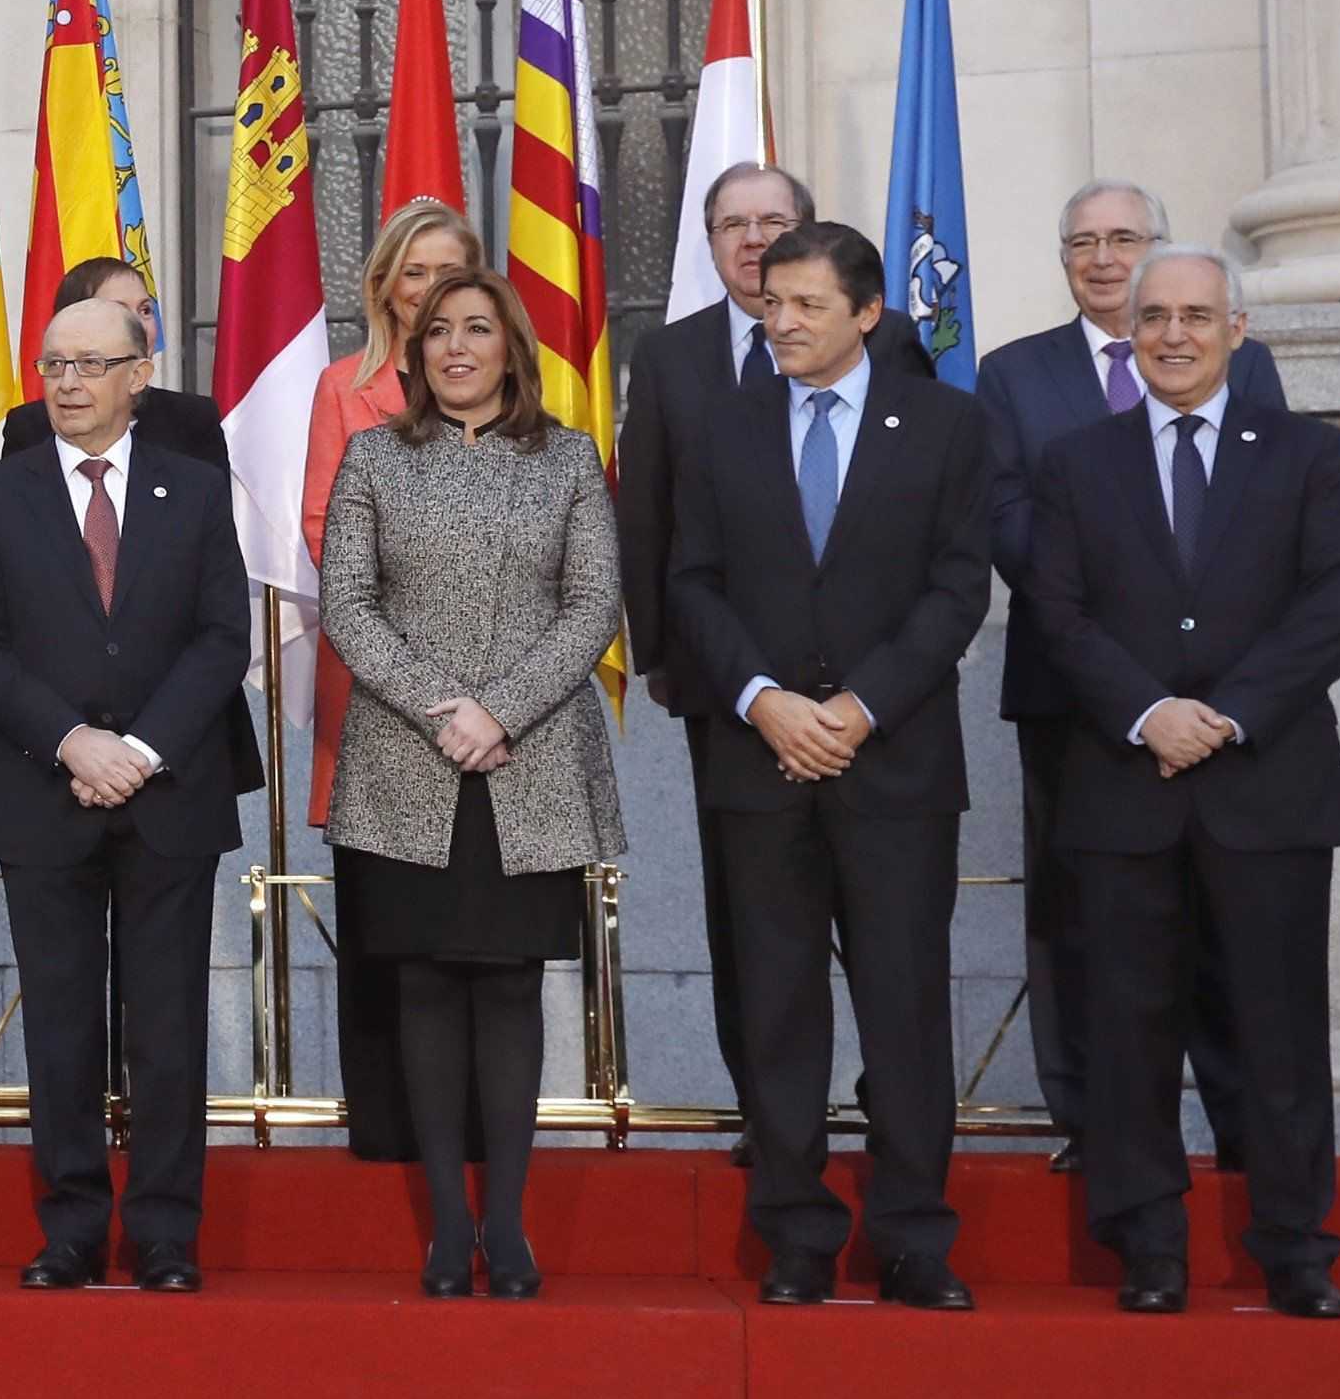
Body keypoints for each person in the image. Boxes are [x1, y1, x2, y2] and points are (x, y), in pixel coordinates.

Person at [1021, 247, 1340, 1321]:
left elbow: (1330, 606)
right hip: (1124, 787)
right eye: (1155, 315)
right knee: (1127, 1030)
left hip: (1267, 784)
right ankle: (1149, 1245)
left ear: (1237, 329)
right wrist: (1147, 713)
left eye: (1197, 315)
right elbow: (1058, 612)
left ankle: (1295, 1245)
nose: (1174, 333)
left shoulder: (1308, 451)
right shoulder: (1079, 460)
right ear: (1130, 333)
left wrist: (1223, 717)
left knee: (1277, 1029)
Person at [664, 224, 995, 1310]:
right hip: (760, 763)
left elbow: (957, 588)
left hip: (891, 761)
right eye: (772, 303)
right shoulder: (723, 424)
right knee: (776, 1004)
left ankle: (914, 1238)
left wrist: (857, 705)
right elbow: (692, 581)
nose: (784, 322)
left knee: (903, 1005)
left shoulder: (947, 425)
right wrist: (764, 702)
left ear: (867, 313)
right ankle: (796, 1235)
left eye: (807, 304)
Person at [322, 270, 624, 1299]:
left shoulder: (569, 458)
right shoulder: (373, 455)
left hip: (529, 758)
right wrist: (446, 709)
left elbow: (592, 604)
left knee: (508, 985)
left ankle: (510, 1224)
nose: (456, 346)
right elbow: (349, 606)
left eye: (477, 329)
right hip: (409, 761)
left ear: (512, 346)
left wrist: (501, 710)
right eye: (438, 329)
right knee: (424, 983)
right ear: (415, 352)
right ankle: (449, 1226)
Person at [979, 179, 1286, 1169]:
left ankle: (1241, 1119)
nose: (1104, 257)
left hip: (1216, 698)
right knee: (1077, 916)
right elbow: (1011, 525)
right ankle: (1087, 1117)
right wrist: (1125, 657)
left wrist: (1188, 660)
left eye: (1124, 239)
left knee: (1227, 912)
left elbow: (1266, 515)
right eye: (1084, 241)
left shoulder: (1251, 364)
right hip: (1074, 688)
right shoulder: (1013, 375)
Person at [0, 292, 252, 1293]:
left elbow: (221, 638)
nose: (68, 381)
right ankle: (71, 1226)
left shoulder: (197, 489)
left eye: (90, 363)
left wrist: (145, 746)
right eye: (53, 364)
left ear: (139, 373)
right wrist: (74, 741)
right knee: (64, 1023)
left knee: (166, 1024)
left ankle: (166, 1230)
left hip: (171, 792)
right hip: (48, 791)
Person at [615, 160, 833, 1113]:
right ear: (708, 244)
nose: (752, 240)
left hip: (862, 694)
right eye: (732, 225)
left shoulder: (887, 346)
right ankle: (767, 1109)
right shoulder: (672, 357)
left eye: (772, 222)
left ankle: (885, 1099)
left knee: (872, 916)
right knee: (747, 915)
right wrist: (660, 653)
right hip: (725, 684)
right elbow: (648, 515)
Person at [296, 195, 480, 1163]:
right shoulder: (343, 389)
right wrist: (421, 666)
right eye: (415, 270)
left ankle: (479, 1136)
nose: (432, 286)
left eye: (449, 267)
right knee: (382, 925)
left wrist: (482, 669)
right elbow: (331, 536)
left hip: (496, 705)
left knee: (476, 931)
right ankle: (387, 1140)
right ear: (388, 287)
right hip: (375, 697)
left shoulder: (511, 390)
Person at [0, 254, 231, 469]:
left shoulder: (192, 419)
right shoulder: (29, 428)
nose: (139, 325)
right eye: (120, 311)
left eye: (146, 310)